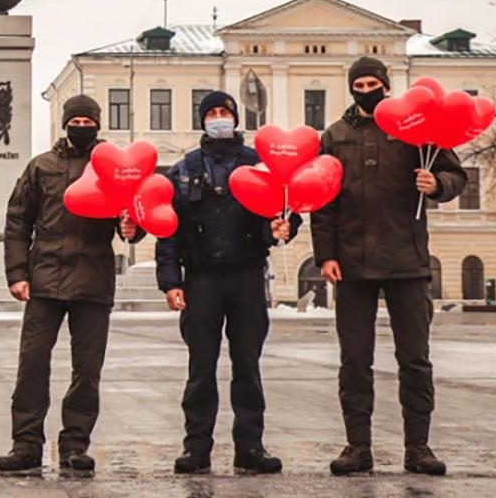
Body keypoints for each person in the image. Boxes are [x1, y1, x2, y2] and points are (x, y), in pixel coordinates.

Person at [311, 57, 467, 477]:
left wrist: (438, 185)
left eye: (373, 82)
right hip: (353, 266)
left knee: (415, 360)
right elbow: (323, 201)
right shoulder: (335, 136)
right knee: (354, 361)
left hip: (407, 264)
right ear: (351, 88)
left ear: (386, 84)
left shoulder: (415, 128)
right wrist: (325, 254)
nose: (366, 89)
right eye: (358, 83)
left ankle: (418, 447)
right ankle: (357, 447)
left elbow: (455, 174)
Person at [0, 94, 141, 473]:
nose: (80, 127)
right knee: (32, 364)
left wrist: (132, 228)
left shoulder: (112, 167)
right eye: (74, 121)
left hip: (93, 280)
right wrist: (17, 274)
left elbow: (132, 214)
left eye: (87, 121)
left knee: (87, 369)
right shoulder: (41, 167)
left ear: (97, 124)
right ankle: (26, 444)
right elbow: (17, 222)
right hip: (45, 281)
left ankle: (75, 445)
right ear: (65, 123)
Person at [155, 90, 300, 475]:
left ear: (236, 119)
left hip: (247, 276)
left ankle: (250, 447)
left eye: (225, 112)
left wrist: (282, 228)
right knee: (201, 368)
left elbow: (284, 209)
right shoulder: (185, 169)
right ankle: (196, 448)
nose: (219, 118)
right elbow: (167, 229)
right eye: (212, 113)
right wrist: (170, 281)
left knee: (247, 367)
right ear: (202, 120)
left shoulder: (259, 164)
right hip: (201, 279)